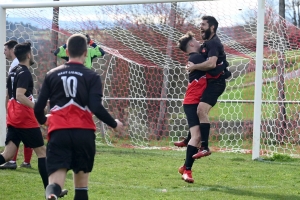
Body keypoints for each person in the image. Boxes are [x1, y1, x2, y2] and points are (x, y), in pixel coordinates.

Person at [34, 33, 124, 200]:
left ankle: (53, 193)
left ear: (67, 52)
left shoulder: (52, 75)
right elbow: (95, 106)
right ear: (85, 53)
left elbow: (38, 107)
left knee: (55, 180)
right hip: (84, 134)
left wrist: (44, 121)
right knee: (81, 187)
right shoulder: (92, 76)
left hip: (59, 132)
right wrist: (114, 123)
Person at [176, 31, 228, 183]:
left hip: (193, 102)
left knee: (196, 137)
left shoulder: (194, 59)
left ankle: (185, 165)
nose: (200, 43)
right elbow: (212, 64)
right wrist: (224, 64)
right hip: (192, 103)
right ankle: (187, 171)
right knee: (197, 137)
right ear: (191, 44)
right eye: (196, 41)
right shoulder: (197, 58)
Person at [185, 16, 230, 159]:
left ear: (212, 27)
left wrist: (194, 67)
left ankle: (204, 147)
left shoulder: (214, 43)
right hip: (210, 83)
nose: (200, 27)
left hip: (216, 84)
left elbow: (211, 64)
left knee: (201, 110)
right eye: (200, 24)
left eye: (203, 24)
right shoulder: (206, 44)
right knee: (196, 109)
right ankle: (190, 140)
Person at [0, 40, 33, 170]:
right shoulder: (21, 69)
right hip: (22, 109)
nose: (4, 53)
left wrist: (8, 107)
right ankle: (53, 187)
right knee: (41, 149)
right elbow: (18, 94)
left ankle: (19, 161)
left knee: (8, 153)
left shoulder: (15, 68)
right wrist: (37, 107)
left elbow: (10, 93)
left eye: (5, 50)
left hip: (16, 109)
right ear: (28, 55)